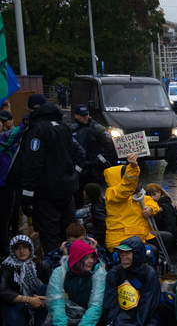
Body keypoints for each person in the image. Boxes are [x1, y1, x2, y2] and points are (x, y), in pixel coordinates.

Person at [7, 94, 78, 256]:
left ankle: (55, 275)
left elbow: (33, 165)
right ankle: (73, 270)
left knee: (50, 237)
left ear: (29, 110)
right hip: (66, 191)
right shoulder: (62, 127)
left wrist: (26, 196)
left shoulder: (37, 130)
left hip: (46, 194)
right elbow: (73, 156)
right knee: (67, 234)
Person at [103, 236, 166, 326]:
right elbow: (110, 301)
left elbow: (149, 302)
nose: (123, 255)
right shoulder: (115, 273)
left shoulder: (148, 272)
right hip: (124, 314)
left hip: (147, 315)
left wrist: (136, 324)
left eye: (127, 252)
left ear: (137, 253)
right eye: (121, 252)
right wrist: (111, 322)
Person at [103, 153, 174, 255]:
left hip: (140, 235)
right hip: (121, 240)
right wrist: (133, 168)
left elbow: (150, 201)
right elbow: (126, 188)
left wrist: (150, 209)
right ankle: (146, 267)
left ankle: (158, 264)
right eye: (125, 175)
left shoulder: (133, 194)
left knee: (168, 238)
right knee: (152, 250)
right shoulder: (112, 194)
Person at [0, 235, 51, 326]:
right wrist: (29, 300)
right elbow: (3, 291)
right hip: (21, 307)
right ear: (12, 251)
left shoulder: (42, 265)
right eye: (17, 248)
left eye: (25, 247)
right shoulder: (8, 266)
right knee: (7, 300)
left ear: (30, 248)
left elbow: (55, 290)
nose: (21, 251)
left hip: (41, 306)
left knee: (44, 288)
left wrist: (42, 299)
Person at [70, 104, 117, 209]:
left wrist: (98, 161)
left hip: (93, 170)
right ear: (76, 115)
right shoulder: (72, 129)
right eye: (83, 115)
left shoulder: (97, 128)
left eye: (87, 114)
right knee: (77, 196)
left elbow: (111, 147)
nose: (86, 117)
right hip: (79, 169)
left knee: (93, 197)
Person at [0, 110, 23, 257]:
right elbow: (14, 134)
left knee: (9, 215)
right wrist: (27, 122)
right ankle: (3, 250)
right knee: (3, 218)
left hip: (7, 183)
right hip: (3, 185)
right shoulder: (2, 139)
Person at [44, 222, 111, 271]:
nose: (77, 244)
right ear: (68, 238)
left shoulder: (95, 247)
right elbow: (56, 273)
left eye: (81, 240)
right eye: (73, 241)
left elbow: (105, 267)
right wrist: (65, 256)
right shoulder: (60, 251)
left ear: (85, 236)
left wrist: (92, 252)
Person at [83, 183, 107, 249]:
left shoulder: (96, 208)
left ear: (88, 195)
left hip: (102, 239)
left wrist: (93, 236)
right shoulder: (101, 202)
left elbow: (103, 223)